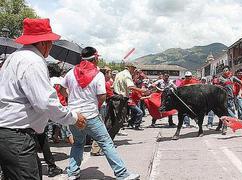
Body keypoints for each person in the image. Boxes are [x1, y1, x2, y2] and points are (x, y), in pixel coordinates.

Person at [0, 18, 86, 180]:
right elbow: (45, 102)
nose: (51, 46)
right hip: (17, 136)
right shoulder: (32, 61)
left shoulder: (15, 57)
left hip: (10, 135)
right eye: (50, 42)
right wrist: (73, 118)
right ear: (43, 43)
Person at [61, 47, 139, 180]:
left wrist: (72, 100)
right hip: (91, 115)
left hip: (73, 115)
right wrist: (93, 106)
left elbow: (62, 90)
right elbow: (102, 96)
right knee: (106, 142)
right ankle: (122, 173)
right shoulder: (98, 74)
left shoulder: (70, 72)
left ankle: (73, 173)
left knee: (78, 143)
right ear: (95, 58)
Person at [217, 66, 241, 134]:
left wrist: (241, 90)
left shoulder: (232, 78)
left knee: (228, 114)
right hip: (223, 98)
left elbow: (241, 81)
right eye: (224, 70)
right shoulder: (221, 78)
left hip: (231, 98)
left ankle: (225, 126)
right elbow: (222, 84)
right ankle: (225, 128)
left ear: (229, 71)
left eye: (227, 70)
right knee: (226, 113)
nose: (225, 71)